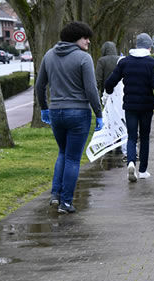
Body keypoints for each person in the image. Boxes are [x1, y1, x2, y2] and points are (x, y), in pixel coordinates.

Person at [35, 21, 103, 214]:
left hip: (56, 112)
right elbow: (91, 90)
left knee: (63, 153)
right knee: (73, 158)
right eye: (85, 38)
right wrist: (98, 113)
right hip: (78, 113)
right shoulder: (84, 58)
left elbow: (40, 86)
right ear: (75, 39)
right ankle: (66, 202)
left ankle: (55, 195)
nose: (88, 41)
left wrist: (44, 108)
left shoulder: (49, 55)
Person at [105, 33, 154, 182]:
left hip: (130, 105)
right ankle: (143, 170)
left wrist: (109, 91)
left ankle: (131, 162)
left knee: (132, 136)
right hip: (146, 106)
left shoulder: (125, 62)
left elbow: (111, 81)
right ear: (149, 46)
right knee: (144, 137)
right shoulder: (152, 64)